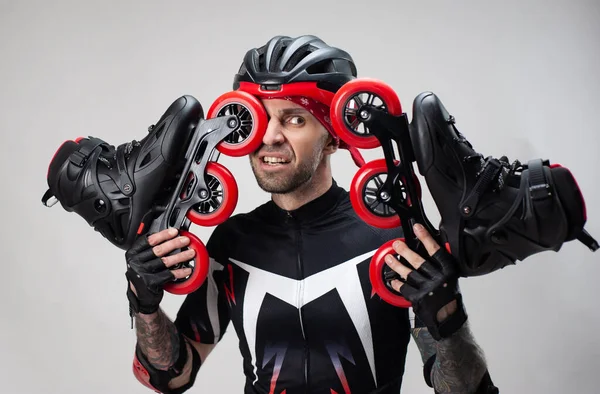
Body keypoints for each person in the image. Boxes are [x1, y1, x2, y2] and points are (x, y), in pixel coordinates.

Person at [125, 35, 499, 394]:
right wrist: (144, 304)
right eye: (260, 118)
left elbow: (462, 388)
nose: (269, 137)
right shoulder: (232, 243)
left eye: (293, 119)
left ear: (334, 136)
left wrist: (449, 318)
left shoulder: (394, 236)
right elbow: (172, 375)